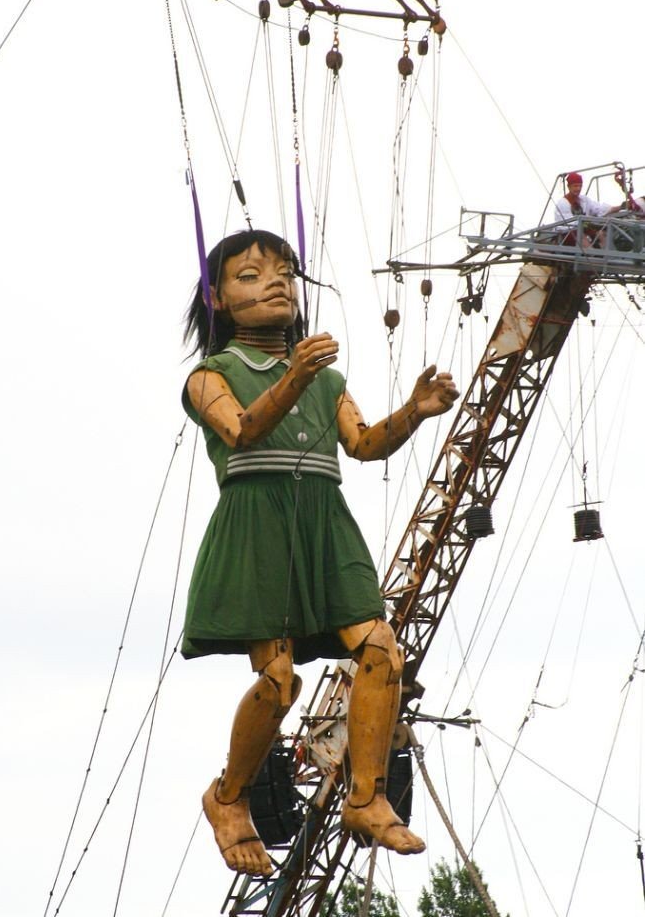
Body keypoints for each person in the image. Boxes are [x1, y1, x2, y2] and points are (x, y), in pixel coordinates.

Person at [181, 228, 459, 878]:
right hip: (259, 526)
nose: (275, 281)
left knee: (382, 649)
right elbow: (243, 430)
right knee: (279, 681)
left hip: (324, 524)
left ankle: (365, 796)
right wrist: (295, 374)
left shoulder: (325, 377)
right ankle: (228, 797)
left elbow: (361, 443)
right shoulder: (210, 376)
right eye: (251, 275)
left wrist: (413, 413)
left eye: (283, 271)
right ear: (217, 298)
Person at [554, 172, 622, 247]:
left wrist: (619, 207)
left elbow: (597, 208)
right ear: (569, 187)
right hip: (567, 233)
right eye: (575, 186)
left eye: (580, 186)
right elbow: (568, 224)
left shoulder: (583, 199)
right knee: (581, 236)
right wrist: (587, 224)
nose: (578, 189)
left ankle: (606, 256)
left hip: (584, 229)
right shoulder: (563, 203)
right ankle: (593, 256)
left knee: (601, 233)